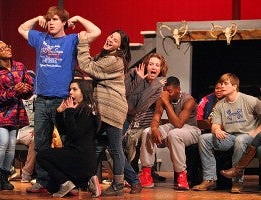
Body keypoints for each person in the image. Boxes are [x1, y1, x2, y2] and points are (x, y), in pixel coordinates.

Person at [18, 6, 101, 193]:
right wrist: (36, 17)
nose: (50, 23)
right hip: (41, 99)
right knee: (40, 143)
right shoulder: (41, 38)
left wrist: (78, 17)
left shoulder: (71, 40)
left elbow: (96, 32)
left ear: (64, 22)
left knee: (67, 141)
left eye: (55, 19)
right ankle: (43, 181)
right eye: (49, 20)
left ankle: (70, 181)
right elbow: (21, 29)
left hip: (63, 100)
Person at [77, 30, 134, 196]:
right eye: (110, 36)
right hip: (103, 111)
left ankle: (118, 185)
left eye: (115, 40)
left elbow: (88, 67)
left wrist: (83, 43)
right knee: (96, 147)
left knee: (115, 148)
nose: (110, 40)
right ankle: (89, 180)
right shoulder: (104, 57)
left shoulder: (115, 60)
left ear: (120, 47)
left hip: (113, 109)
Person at [193, 73, 261, 193]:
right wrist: (217, 129)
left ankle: (237, 181)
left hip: (248, 136)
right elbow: (215, 125)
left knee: (240, 140)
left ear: (235, 86)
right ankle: (209, 179)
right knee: (204, 138)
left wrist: (255, 132)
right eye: (221, 83)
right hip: (230, 136)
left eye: (226, 84)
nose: (222, 86)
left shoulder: (249, 100)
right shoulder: (220, 104)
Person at [0, 40, 34, 191]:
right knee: (3, 141)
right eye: (3, 48)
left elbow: (29, 88)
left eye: (8, 46)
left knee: (11, 145)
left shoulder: (19, 66)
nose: (8, 49)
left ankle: (4, 177)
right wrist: (14, 91)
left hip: (15, 112)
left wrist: (25, 89)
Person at [36, 79, 101, 198]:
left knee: (41, 155)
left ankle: (84, 181)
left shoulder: (87, 109)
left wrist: (70, 112)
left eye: (74, 89)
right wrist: (60, 113)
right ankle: (84, 182)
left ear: (83, 92)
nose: (70, 92)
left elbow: (75, 134)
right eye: (70, 89)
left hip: (81, 157)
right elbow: (64, 132)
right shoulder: (77, 108)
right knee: (52, 187)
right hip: (74, 155)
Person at [139, 76, 201, 190]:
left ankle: (182, 176)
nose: (166, 94)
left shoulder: (189, 100)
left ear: (178, 89)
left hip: (191, 129)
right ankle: (146, 174)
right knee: (147, 132)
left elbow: (179, 124)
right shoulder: (162, 99)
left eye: (170, 91)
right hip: (173, 127)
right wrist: (154, 129)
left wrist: (167, 103)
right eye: (165, 91)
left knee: (174, 134)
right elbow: (157, 116)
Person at [124, 53, 168, 188]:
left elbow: (144, 104)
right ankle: (129, 174)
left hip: (148, 125)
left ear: (161, 69)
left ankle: (147, 172)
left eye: (157, 65)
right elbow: (133, 105)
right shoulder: (138, 81)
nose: (153, 67)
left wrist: (154, 86)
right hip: (132, 122)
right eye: (151, 64)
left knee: (143, 136)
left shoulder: (161, 86)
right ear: (145, 66)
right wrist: (142, 82)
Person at [0, 87, 36, 183]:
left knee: (37, 139)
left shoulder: (36, 98)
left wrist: (38, 129)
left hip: (28, 130)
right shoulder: (10, 96)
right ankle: (8, 169)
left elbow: (43, 116)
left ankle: (27, 173)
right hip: (10, 129)